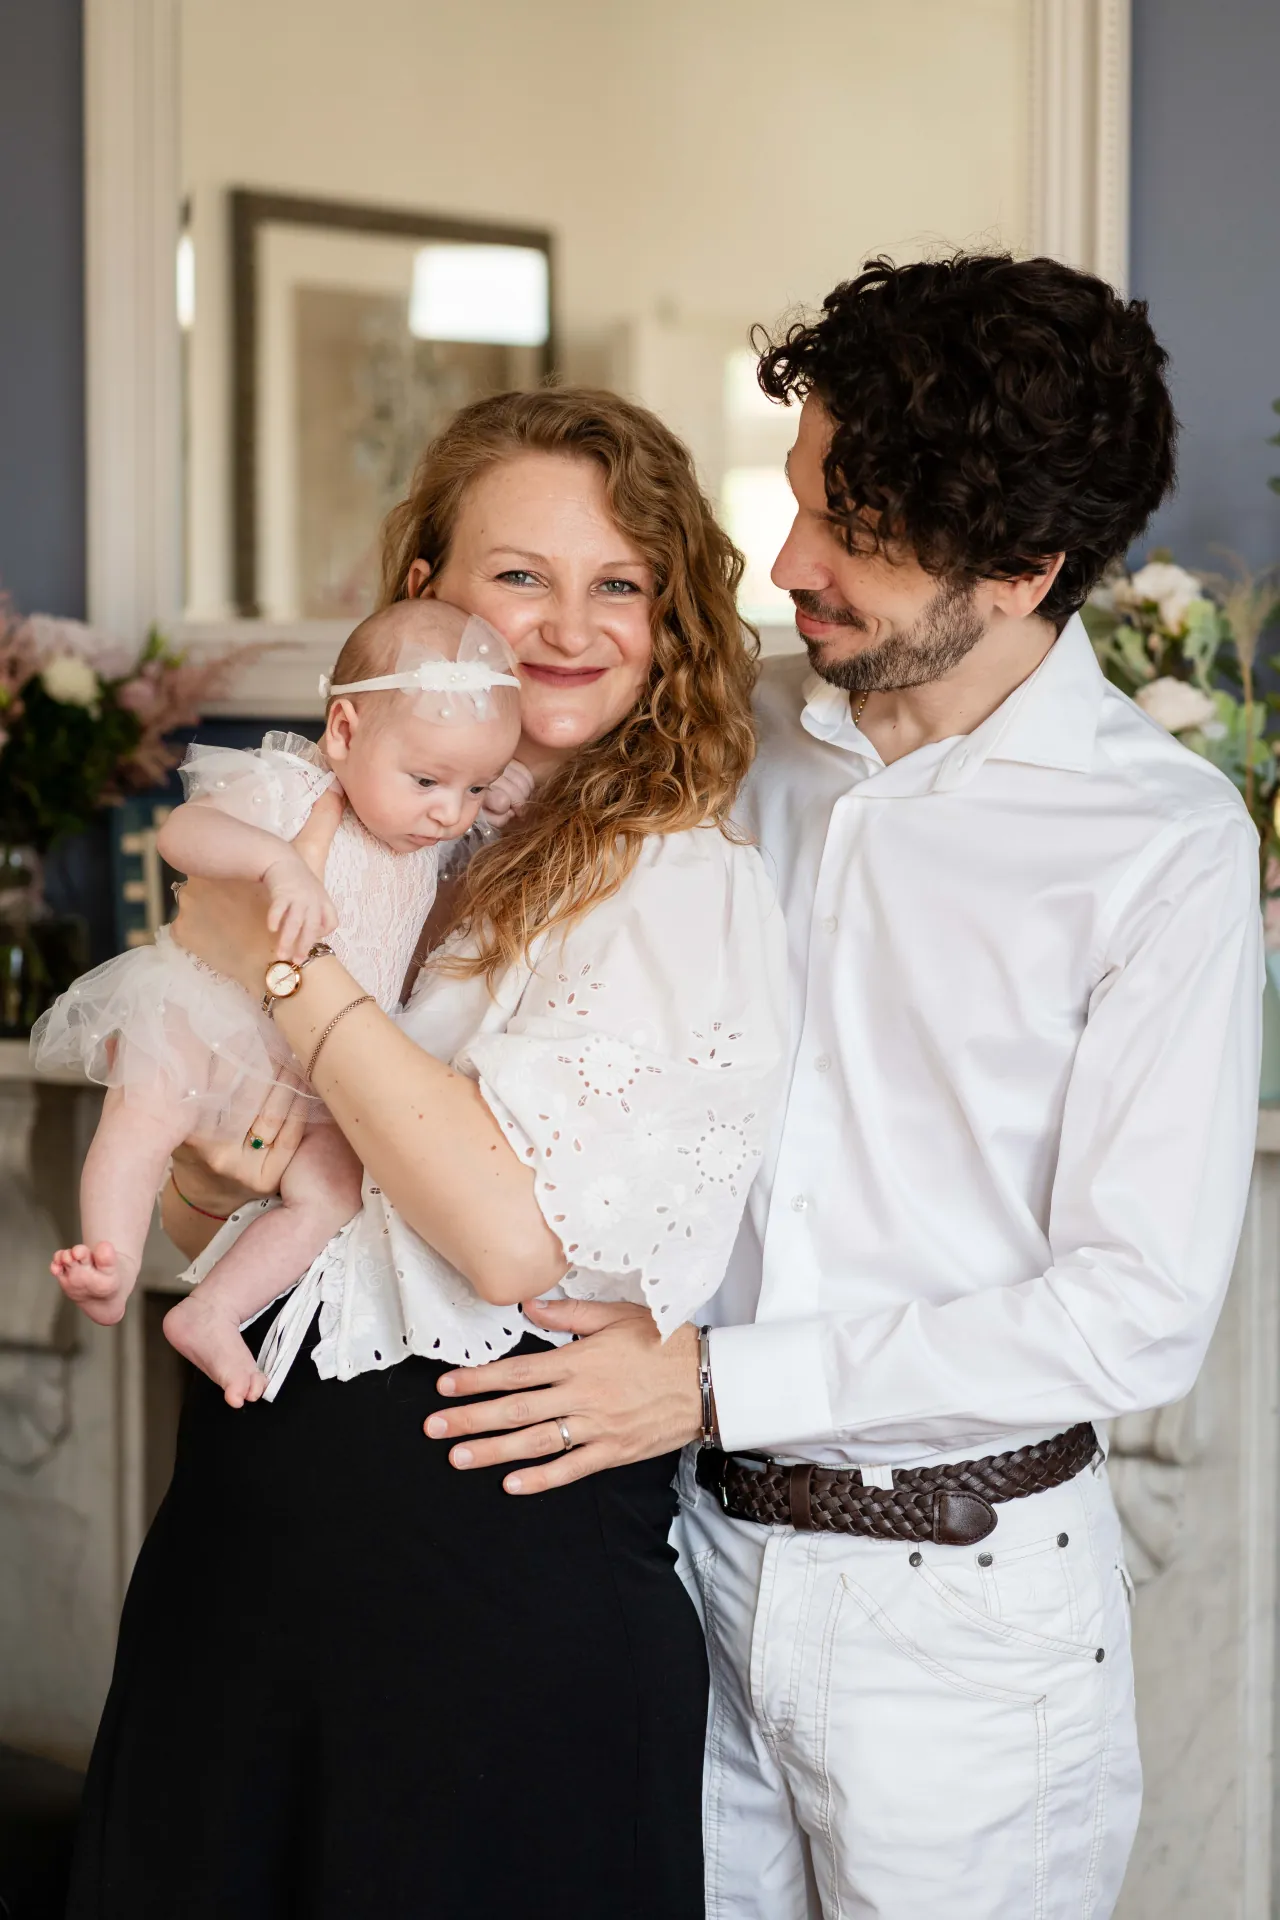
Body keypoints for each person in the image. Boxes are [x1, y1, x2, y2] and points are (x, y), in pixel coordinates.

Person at [425, 256, 1264, 1917]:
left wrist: (717, 1383)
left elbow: (1132, 1313)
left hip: (965, 1624)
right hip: (680, 1569)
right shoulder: (724, 749)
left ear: (1025, 569)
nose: (789, 566)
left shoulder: (1160, 850)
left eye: (853, 534)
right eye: (802, 502)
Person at [66, 387, 788, 1920]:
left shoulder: (671, 882)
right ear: (424, 595)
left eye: (621, 585)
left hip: (487, 1590)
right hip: (250, 1537)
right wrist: (214, 1163)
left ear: (669, 625)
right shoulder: (385, 824)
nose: (569, 626)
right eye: (520, 576)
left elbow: (502, 1234)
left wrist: (278, 964)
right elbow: (228, 1163)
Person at [35, 598, 524, 1407]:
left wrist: (495, 796)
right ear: (343, 731)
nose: (449, 811)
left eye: (471, 788)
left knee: (332, 1193)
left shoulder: (432, 824)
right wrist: (274, 863)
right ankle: (110, 1258)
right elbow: (181, 833)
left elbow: (476, 807)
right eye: (429, 781)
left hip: (318, 1062)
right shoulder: (293, 789)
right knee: (144, 1117)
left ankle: (215, 1311)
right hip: (215, 1012)